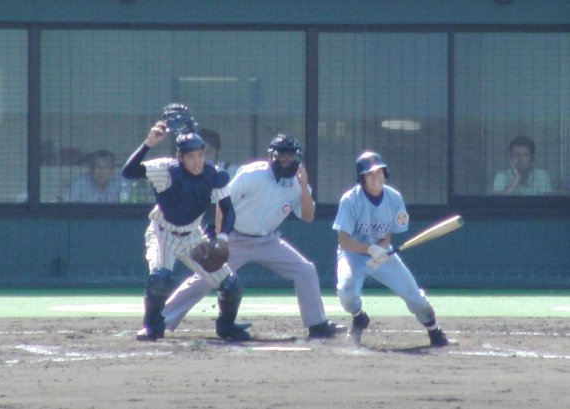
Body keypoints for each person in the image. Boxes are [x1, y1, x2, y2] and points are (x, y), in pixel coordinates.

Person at [163, 134, 346, 339]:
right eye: (281, 155)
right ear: (271, 156)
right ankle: (162, 320)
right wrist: (220, 237)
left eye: (291, 156)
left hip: (267, 241)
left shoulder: (298, 183)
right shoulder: (251, 175)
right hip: (235, 239)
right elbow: (224, 203)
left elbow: (308, 216)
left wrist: (303, 187)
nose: (286, 160)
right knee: (205, 278)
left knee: (306, 270)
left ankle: (317, 324)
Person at [121, 119, 250, 342]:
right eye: (191, 156)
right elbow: (129, 172)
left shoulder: (213, 175)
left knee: (231, 285)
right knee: (160, 279)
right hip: (163, 233)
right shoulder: (165, 170)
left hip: (192, 235)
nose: (197, 161)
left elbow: (227, 210)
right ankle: (152, 326)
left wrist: (221, 238)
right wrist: (148, 144)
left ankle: (227, 327)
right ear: (180, 157)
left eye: (200, 155)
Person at [333, 150, 449, 347]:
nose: (376, 177)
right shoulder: (350, 200)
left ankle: (435, 332)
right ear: (362, 178)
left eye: (379, 172)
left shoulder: (394, 198)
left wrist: (381, 248)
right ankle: (359, 317)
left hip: (382, 253)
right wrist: (369, 249)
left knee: (416, 298)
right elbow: (344, 241)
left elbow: (388, 232)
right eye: (370, 174)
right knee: (346, 291)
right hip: (352, 254)